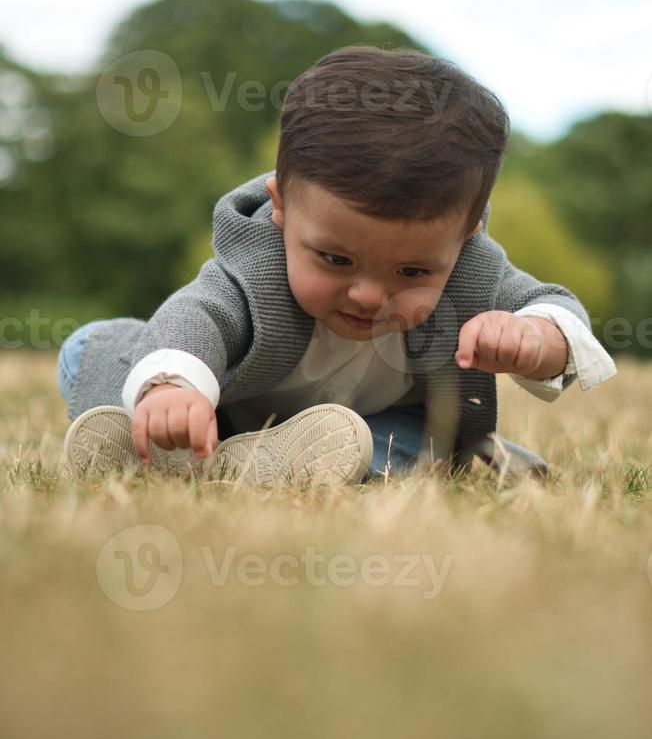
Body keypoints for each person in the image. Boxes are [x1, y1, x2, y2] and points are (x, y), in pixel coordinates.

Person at [58, 46, 616, 484]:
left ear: (464, 237)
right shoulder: (257, 268)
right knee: (94, 349)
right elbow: (200, 315)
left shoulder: (472, 272)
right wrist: (174, 390)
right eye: (336, 259)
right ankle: (154, 442)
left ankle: (263, 465)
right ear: (281, 209)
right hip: (223, 411)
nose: (370, 295)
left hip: (357, 428)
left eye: (413, 273)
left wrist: (535, 336)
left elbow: (559, 308)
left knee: (414, 453)